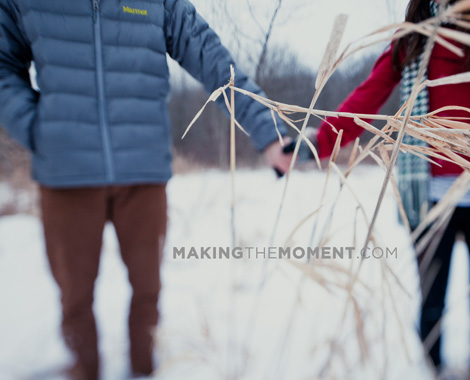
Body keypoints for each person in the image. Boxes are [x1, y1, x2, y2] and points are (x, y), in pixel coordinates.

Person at [0, 0, 292, 379]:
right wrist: (39, 129)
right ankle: (85, 369)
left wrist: (267, 130)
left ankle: (145, 370)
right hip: (64, 172)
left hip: (143, 170)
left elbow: (213, 60)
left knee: (148, 288)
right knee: (74, 297)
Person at [314, 0, 470, 378]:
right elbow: (374, 88)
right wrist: (322, 141)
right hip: (428, 194)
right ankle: (434, 370)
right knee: (430, 304)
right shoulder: (423, 19)